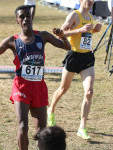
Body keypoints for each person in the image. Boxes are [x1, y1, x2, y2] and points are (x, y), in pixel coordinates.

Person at [0, 5, 71, 150]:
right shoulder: (12, 41)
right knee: (23, 127)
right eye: (22, 17)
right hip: (21, 87)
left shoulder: (42, 36)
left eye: (28, 16)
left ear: (32, 18)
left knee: (42, 131)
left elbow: (67, 47)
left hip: (38, 87)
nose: (26, 19)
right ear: (17, 21)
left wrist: (62, 35)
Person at [47, 0, 102, 140]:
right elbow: (61, 33)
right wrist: (80, 29)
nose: (90, 2)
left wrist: (93, 31)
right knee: (63, 89)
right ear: (80, 1)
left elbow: (85, 37)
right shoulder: (74, 15)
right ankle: (51, 110)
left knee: (89, 92)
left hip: (87, 58)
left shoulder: (90, 16)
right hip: (73, 56)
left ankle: (82, 127)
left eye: (92, 0)